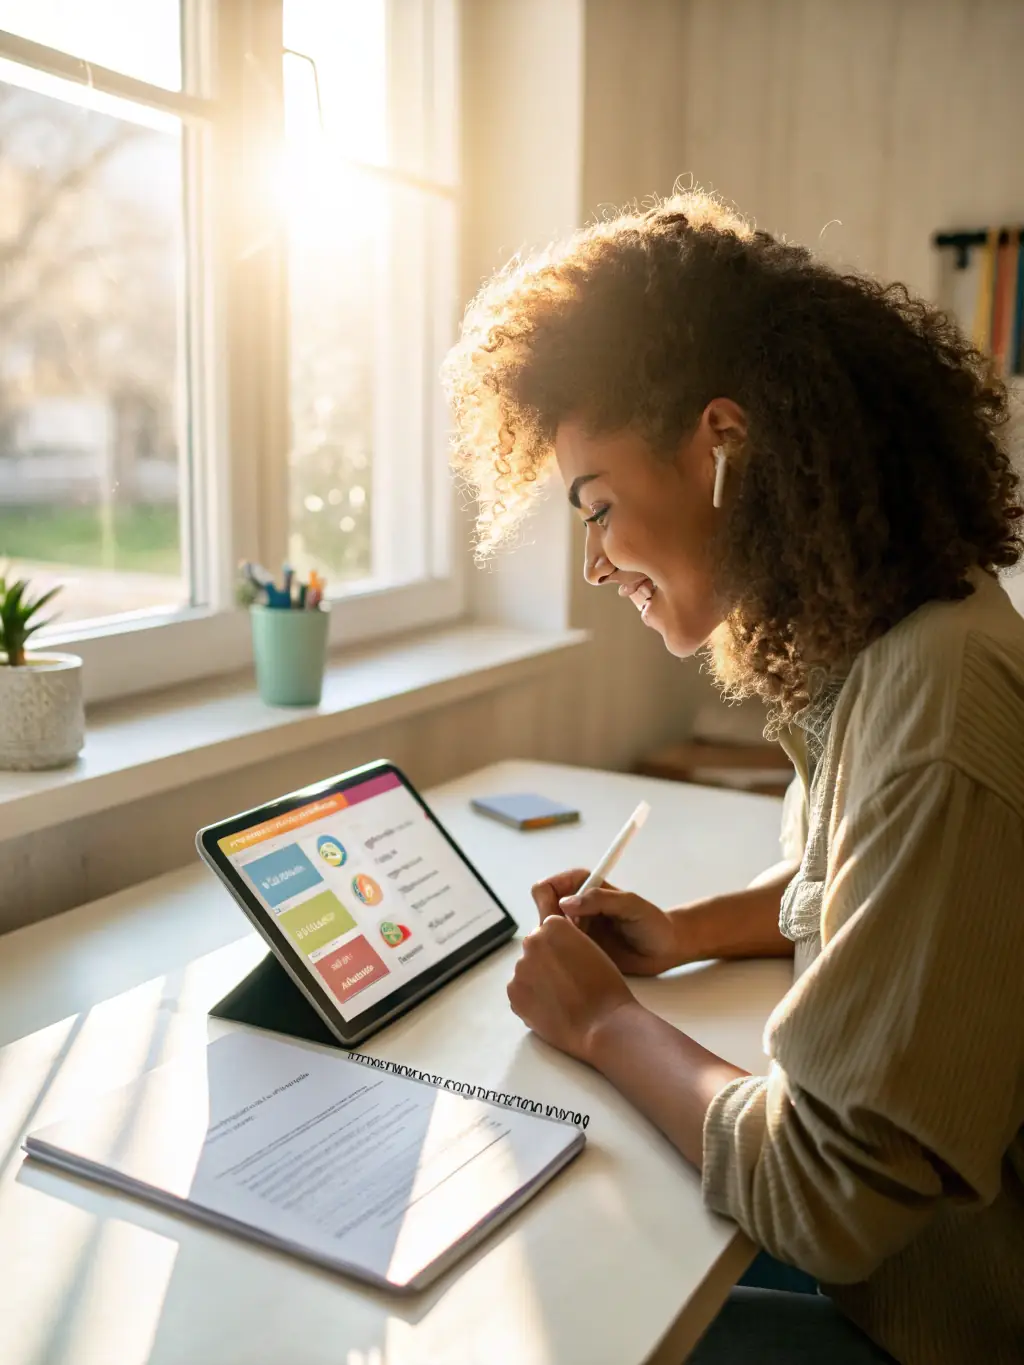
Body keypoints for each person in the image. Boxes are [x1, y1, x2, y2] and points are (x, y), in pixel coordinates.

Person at [440, 190, 1024, 1364]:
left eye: (596, 509)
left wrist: (607, 1026)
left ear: (722, 444)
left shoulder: (932, 711)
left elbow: (827, 1196)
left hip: (928, 1322)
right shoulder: (900, 639)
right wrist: (683, 932)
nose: (596, 562)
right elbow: (866, 891)